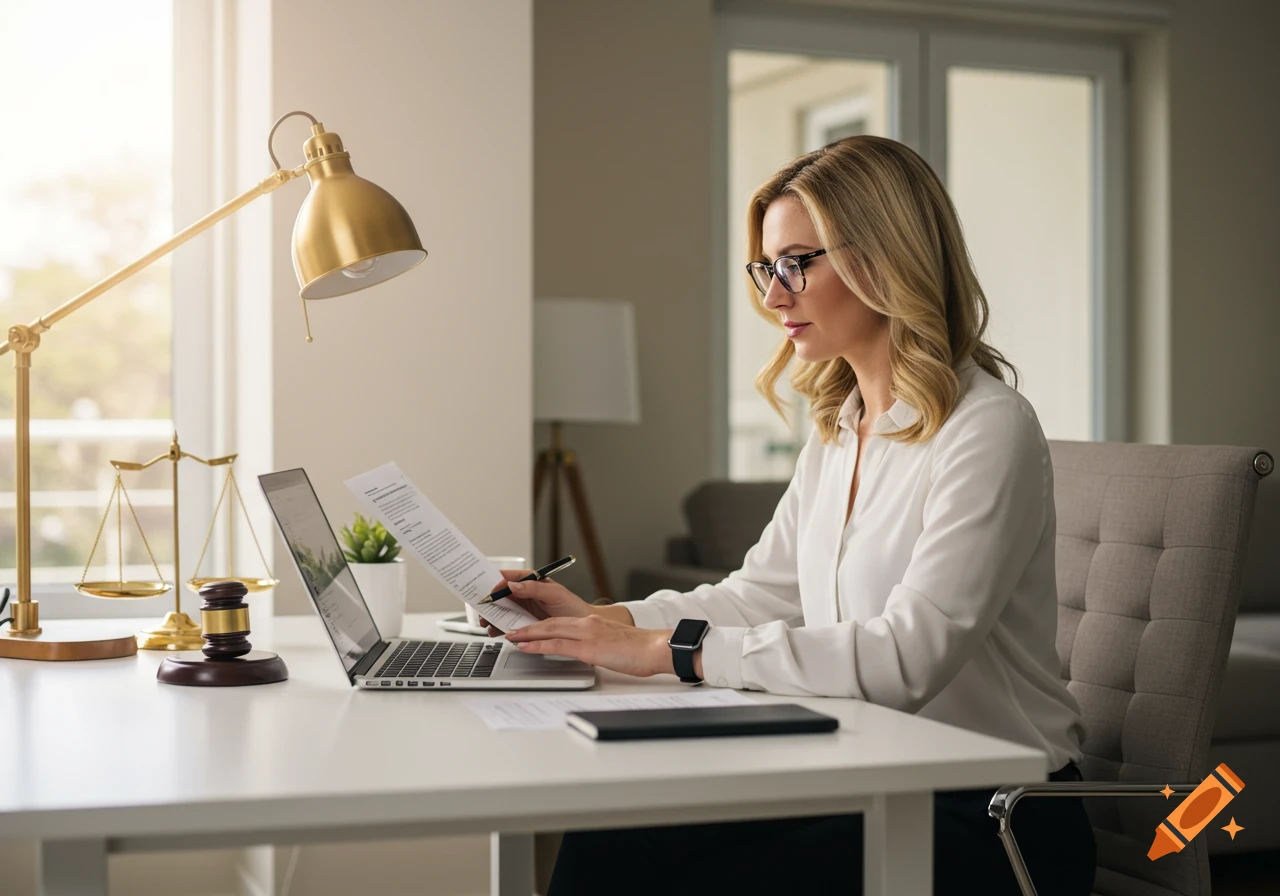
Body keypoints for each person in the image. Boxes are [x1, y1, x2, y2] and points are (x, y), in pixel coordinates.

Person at [485, 135, 1095, 895]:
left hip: (997, 817)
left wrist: (671, 651)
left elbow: (904, 660)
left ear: (888, 257)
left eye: (797, 263)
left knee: (643, 855)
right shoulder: (841, 430)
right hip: (875, 772)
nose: (775, 295)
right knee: (620, 827)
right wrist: (601, 622)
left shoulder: (988, 428)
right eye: (768, 268)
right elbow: (758, 594)